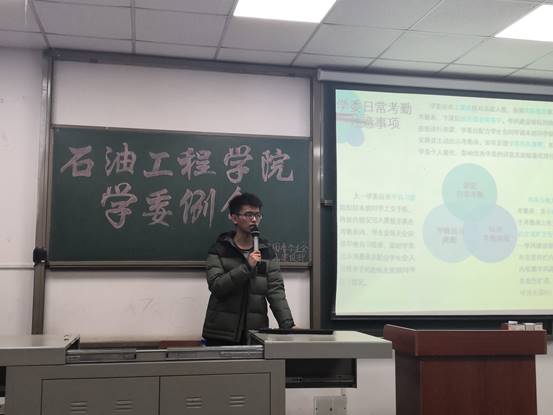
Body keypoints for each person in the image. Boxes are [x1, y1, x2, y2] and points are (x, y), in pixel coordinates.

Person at [202, 192, 295, 345]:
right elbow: (217, 286)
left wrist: (288, 324)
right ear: (234, 218)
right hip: (221, 333)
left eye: (257, 215)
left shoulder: (266, 251)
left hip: (255, 333)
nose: (254, 219)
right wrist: (247, 267)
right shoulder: (220, 249)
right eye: (249, 214)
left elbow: (276, 291)